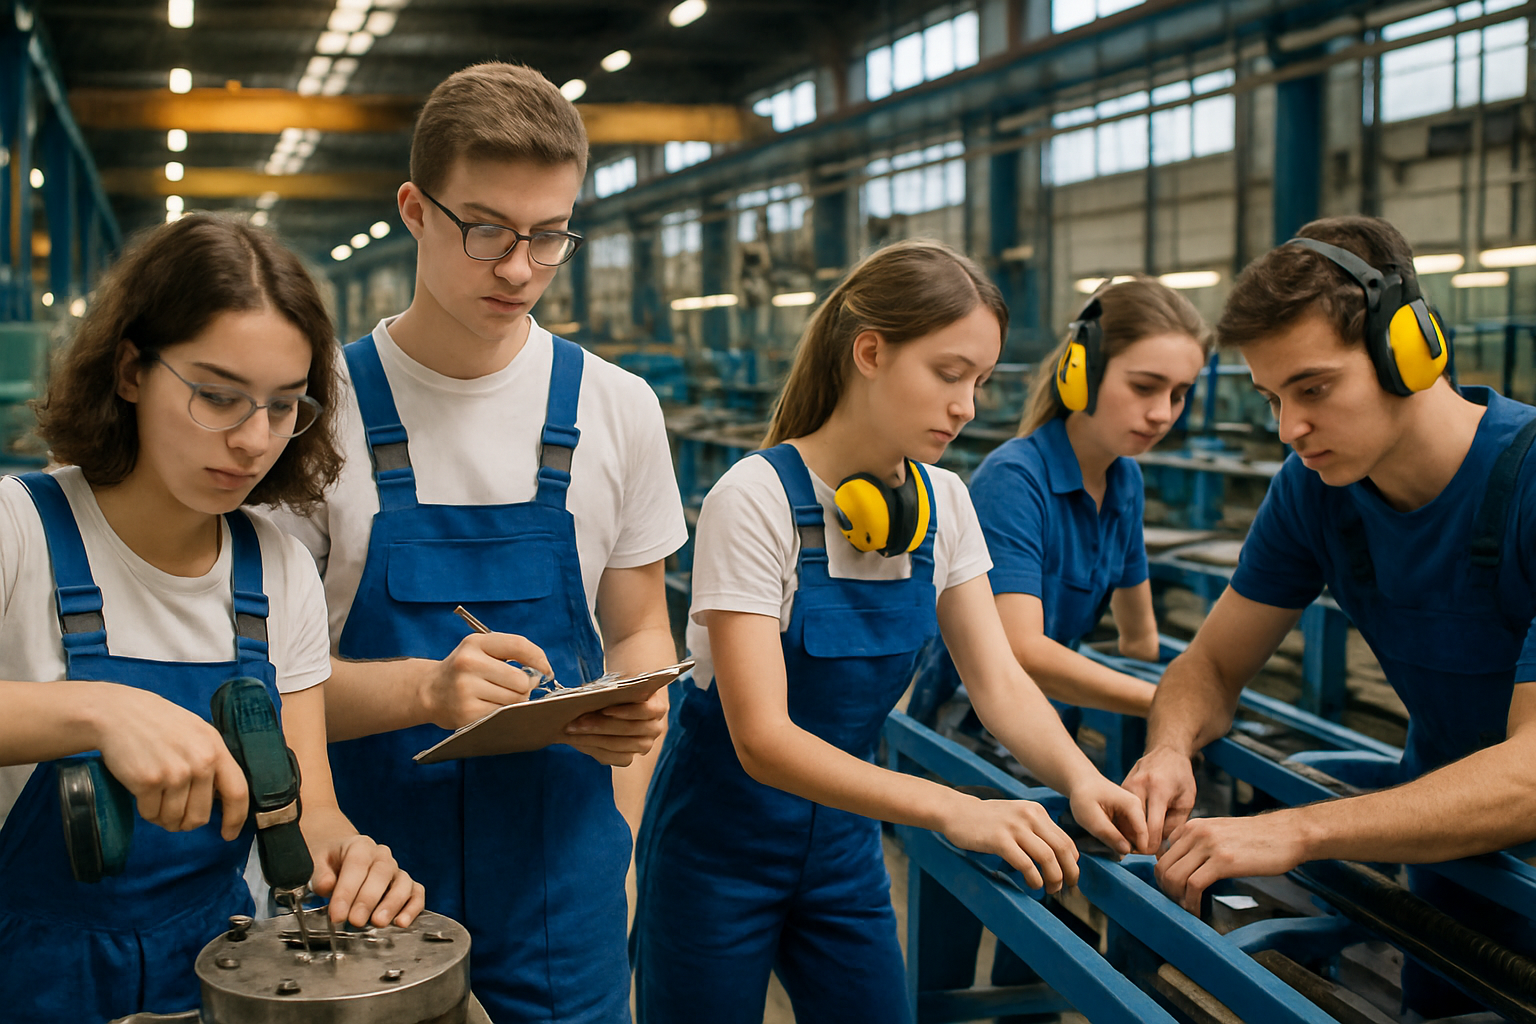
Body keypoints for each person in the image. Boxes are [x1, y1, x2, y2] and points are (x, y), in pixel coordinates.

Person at [631, 238, 1148, 1024]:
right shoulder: (757, 500)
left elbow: (1001, 681)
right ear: (869, 352)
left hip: (843, 852)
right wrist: (948, 807)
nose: (967, 406)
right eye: (949, 374)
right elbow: (761, 738)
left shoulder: (945, 505)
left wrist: (1083, 781)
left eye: (979, 381)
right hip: (715, 855)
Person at [272, 63, 688, 1023]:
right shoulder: (311, 415)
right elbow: (260, 690)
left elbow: (637, 633)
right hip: (364, 877)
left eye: (549, 236)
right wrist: (429, 691)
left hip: (565, 882)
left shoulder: (617, 409)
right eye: (488, 230)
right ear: (415, 211)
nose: (518, 268)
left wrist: (627, 771)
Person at [0, 214, 424, 1024]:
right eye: (218, 396)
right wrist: (95, 708)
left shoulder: (277, 571)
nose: (252, 439)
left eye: (283, 407)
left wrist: (352, 860)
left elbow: (313, 811)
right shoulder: (19, 531)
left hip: (214, 977)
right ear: (130, 371)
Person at [1124, 215, 1536, 1016]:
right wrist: (1168, 749)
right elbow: (1210, 667)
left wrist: (1303, 830)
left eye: (1312, 389)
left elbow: (1531, 771)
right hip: (1452, 857)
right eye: (1273, 398)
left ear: (1409, 351)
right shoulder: (1316, 492)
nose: (1290, 428)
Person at [910, 278, 1210, 734]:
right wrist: (1167, 704)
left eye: (1178, 393)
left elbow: (1141, 640)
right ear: (1080, 372)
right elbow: (1022, 649)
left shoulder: (1124, 478)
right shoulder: (1013, 479)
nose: (1163, 414)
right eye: (1145, 387)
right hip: (968, 722)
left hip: (1048, 710)